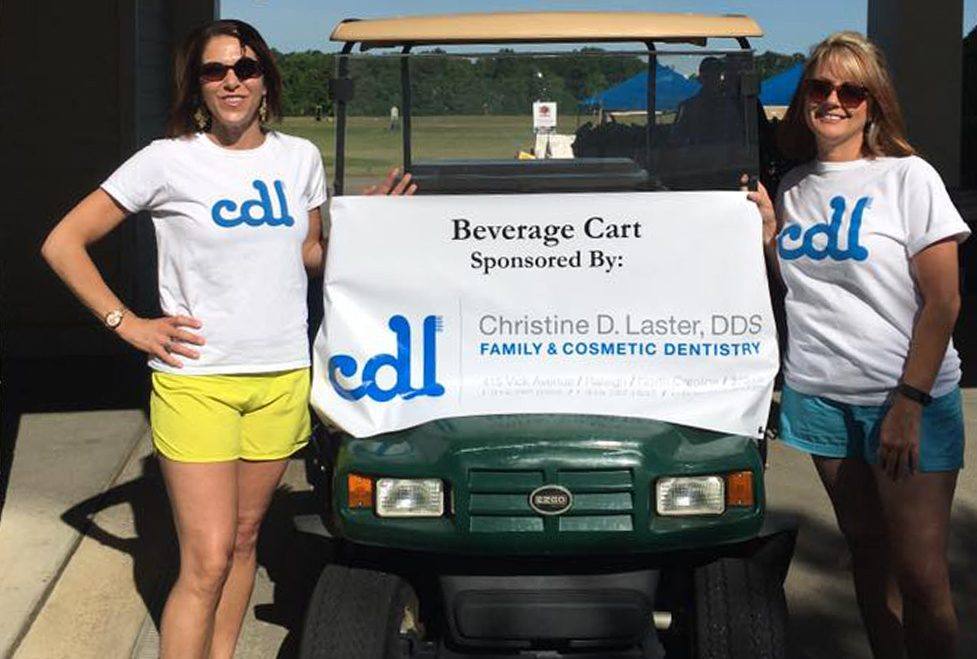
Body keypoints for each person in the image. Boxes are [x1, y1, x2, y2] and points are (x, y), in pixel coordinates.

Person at [40, 19, 414, 659]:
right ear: (198, 87)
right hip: (199, 383)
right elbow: (62, 242)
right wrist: (125, 323)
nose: (232, 80)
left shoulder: (298, 158)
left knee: (243, 542)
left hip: (281, 377)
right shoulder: (168, 160)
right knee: (206, 560)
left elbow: (309, 256)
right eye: (216, 71)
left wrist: (368, 223)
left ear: (266, 79)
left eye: (245, 67)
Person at [748, 32, 968, 659]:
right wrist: (770, 238)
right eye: (820, 87)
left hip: (903, 401)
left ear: (874, 103)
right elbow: (803, 287)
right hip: (821, 400)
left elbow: (944, 302)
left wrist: (909, 401)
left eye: (851, 90)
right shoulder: (792, 187)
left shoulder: (908, 178)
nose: (833, 100)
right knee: (867, 558)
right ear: (804, 100)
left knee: (922, 576)